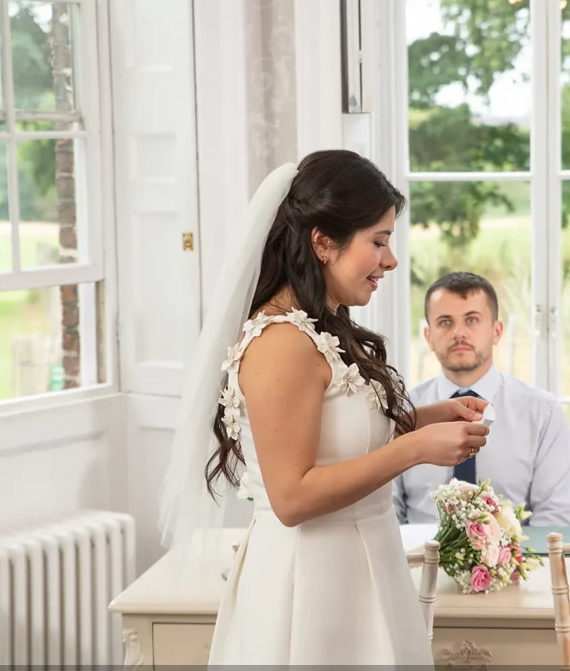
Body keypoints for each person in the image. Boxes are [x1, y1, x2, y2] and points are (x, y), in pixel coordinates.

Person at [157, 151, 492, 665]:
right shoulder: (280, 344)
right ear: (323, 242)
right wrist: (414, 449)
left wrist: (420, 420)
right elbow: (291, 497)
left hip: (363, 562)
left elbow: (337, 437)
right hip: (313, 584)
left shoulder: (320, 326)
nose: (390, 260)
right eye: (378, 241)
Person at [393, 272, 570, 526]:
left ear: (497, 331)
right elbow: (385, 511)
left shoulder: (542, 413)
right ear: (428, 337)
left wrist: (508, 563)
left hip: (514, 563)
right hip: (419, 562)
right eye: (445, 322)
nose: (459, 333)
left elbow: (555, 515)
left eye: (472, 320)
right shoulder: (400, 412)